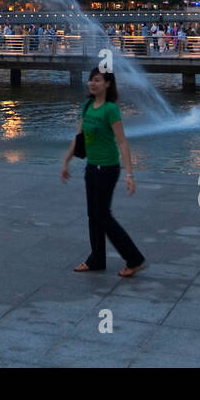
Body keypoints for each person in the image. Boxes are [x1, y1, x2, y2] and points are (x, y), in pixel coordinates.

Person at [61, 68, 145, 276]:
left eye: (97, 80)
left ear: (107, 84)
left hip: (107, 168)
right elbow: (79, 137)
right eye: (91, 80)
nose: (92, 83)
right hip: (91, 166)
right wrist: (66, 161)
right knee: (93, 215)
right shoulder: (87, 105)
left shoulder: (110, 109)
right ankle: (97, 258)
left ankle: (133, 258)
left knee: (102, 214)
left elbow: (123, 142)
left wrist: (130, 174)